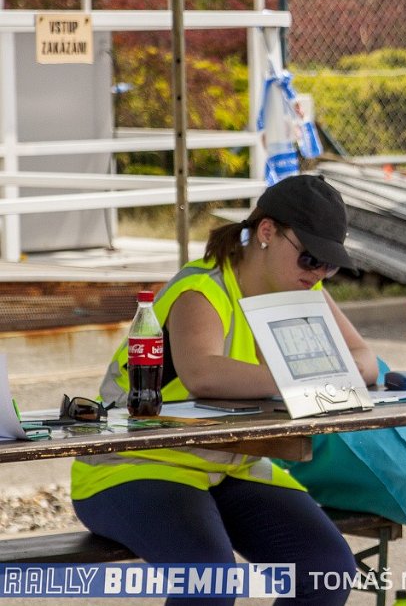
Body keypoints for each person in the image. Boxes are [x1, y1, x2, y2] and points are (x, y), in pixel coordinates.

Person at [71, 174, 379, 606]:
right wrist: (309, 378)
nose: (318, 274)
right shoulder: (202, 288)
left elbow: (365, 359)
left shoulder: (304, 288)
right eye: (311, 258)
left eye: (329, 265)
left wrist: (336, 373)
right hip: (135, 465)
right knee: (210, 581)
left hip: (232, 465)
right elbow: (203, 373)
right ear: (267, 232)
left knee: (327, 570)